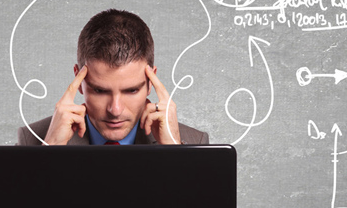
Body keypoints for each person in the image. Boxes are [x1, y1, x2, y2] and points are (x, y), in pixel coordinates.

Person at [17, 9, 209, 146]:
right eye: (100, 91)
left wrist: (175, 153)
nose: (115, 110)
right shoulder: (32, 139)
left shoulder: (194, 141)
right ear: (79, 82)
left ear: (150, 82)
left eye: (131, 90)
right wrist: (50, 150)